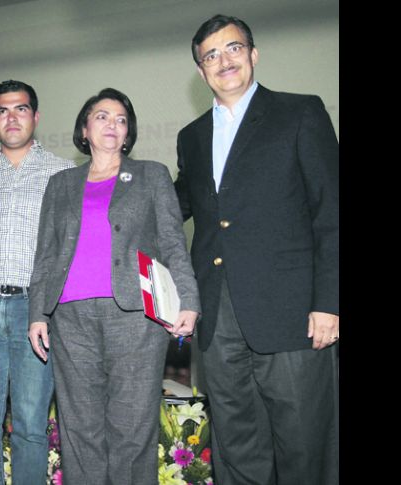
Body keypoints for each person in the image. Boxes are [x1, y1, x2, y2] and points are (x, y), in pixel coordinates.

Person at [174, 14, 339, 484]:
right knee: (236, 442)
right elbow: (178, 204)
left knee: (304, 443)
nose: (223, 60)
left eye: (233, 49)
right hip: (218, 314)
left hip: (292, 313)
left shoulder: (300, 112)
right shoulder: (192, 136)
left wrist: (329, 301)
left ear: (253, 54)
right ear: (201, 70)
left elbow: (332, 212)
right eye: (211, 55)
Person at [28, 88, 200, 485]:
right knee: (79, 430)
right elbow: (46, 255)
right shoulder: (60, 183)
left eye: (121, 119)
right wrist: (36, 313)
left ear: (128, 134)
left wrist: (188, 299)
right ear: (85, 129)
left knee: (133, 429)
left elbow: (174, 241)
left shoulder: (151, 175)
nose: (112, 124)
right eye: (102, 116)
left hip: (136, 318)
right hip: (70, 319)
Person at [0, 79, 75, 485]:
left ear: (36, 116)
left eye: (21, 109)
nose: (12, 117)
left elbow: (69, 244)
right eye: (4, 110)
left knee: (29, 423)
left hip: (37, 310)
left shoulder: (62, 171)